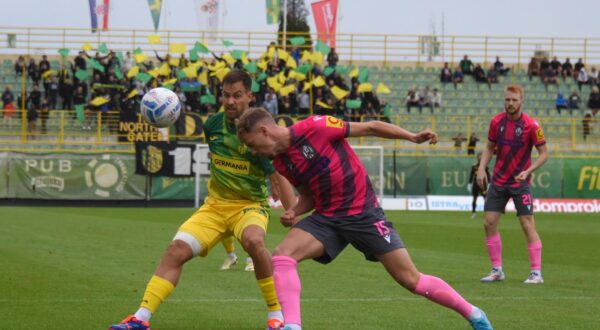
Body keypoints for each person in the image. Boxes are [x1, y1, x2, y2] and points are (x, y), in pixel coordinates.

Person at [236, 108, 493, 330]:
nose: (253, 151)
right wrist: (296, 210)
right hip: (327, 218)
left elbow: (371, 127)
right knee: (282, 256)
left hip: (363, 214)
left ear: (264, 131)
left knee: (411, 280)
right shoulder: (281, 163)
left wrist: (411, 137)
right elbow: (308, 195)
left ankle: (474, 314)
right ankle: (292, 325)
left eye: (251, 143)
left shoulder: (316, 126)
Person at [109, 70, 296, 330]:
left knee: (254, 241)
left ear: (250, 97)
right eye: (226, 95)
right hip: (215, 208)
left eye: (237, 96)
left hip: (248, 207)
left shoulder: (261, 132)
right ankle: (141, 317)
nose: (230, 102)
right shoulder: (212, 126)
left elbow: (279, 176)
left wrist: (293, 215)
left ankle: (276, 316)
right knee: (176, 250)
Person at [476, 84, 548, 285]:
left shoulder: (532, 126)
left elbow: (544, 154)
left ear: (522, 101)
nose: (510, 103)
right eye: (507, 99)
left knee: (527, 224)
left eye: (514, 100)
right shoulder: (496, 122)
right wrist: (482, 168)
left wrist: (528, 171)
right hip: (499, 181)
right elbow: (489, 147)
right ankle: (497, 270)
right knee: (488, 223)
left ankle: (536, 273)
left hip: (520, 182)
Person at [468, 153, 489, 219]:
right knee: (474, 199)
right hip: (475, 185)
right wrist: (469, 183)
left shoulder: (485, 167)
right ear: (477, 158)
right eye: (478, 157)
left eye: (481, 157)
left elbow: (488, 175)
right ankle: (474, 213)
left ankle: (486, 213)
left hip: (483, 185)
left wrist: (489, 183)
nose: (479, 158)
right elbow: (471, 175)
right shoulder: (474, 166)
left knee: (486, 199)